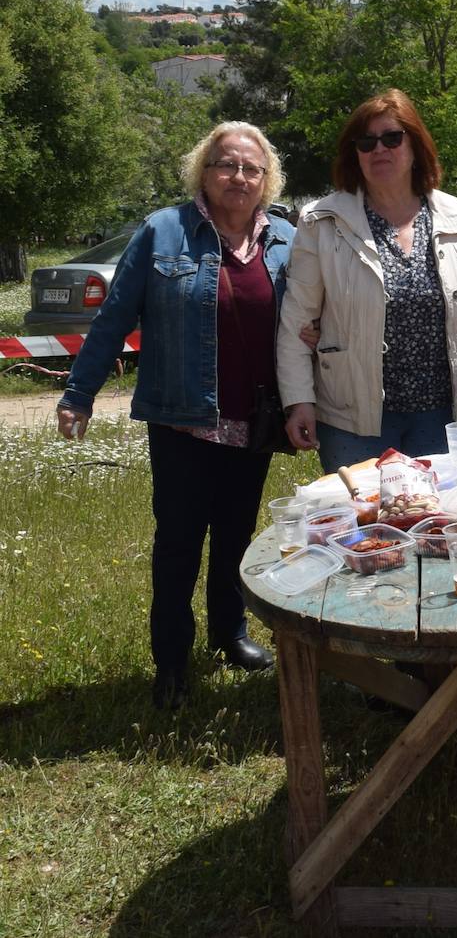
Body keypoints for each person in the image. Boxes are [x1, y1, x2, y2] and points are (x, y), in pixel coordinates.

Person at [56, 122, 295, 709]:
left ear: (267, 180)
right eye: (226, 165)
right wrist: (78, 394)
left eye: (251, 168)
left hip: (254, 420)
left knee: (238, 536)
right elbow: (114, 317)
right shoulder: (163, 231)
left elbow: (308, 320)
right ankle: (171, 661)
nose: (239, 177)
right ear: (203, 173)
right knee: (180, 542)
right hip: (183, 420)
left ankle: (229, 634)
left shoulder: (287, 238)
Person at [278, 89, 457, 470]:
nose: (378, 150)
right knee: (362, 524)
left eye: (392, 138)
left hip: (444, 414)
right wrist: (299, 400)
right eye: (366, 142)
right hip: (352, 419)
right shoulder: (321, 221)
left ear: (416, 146)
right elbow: (297, 320)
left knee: (440, 523)